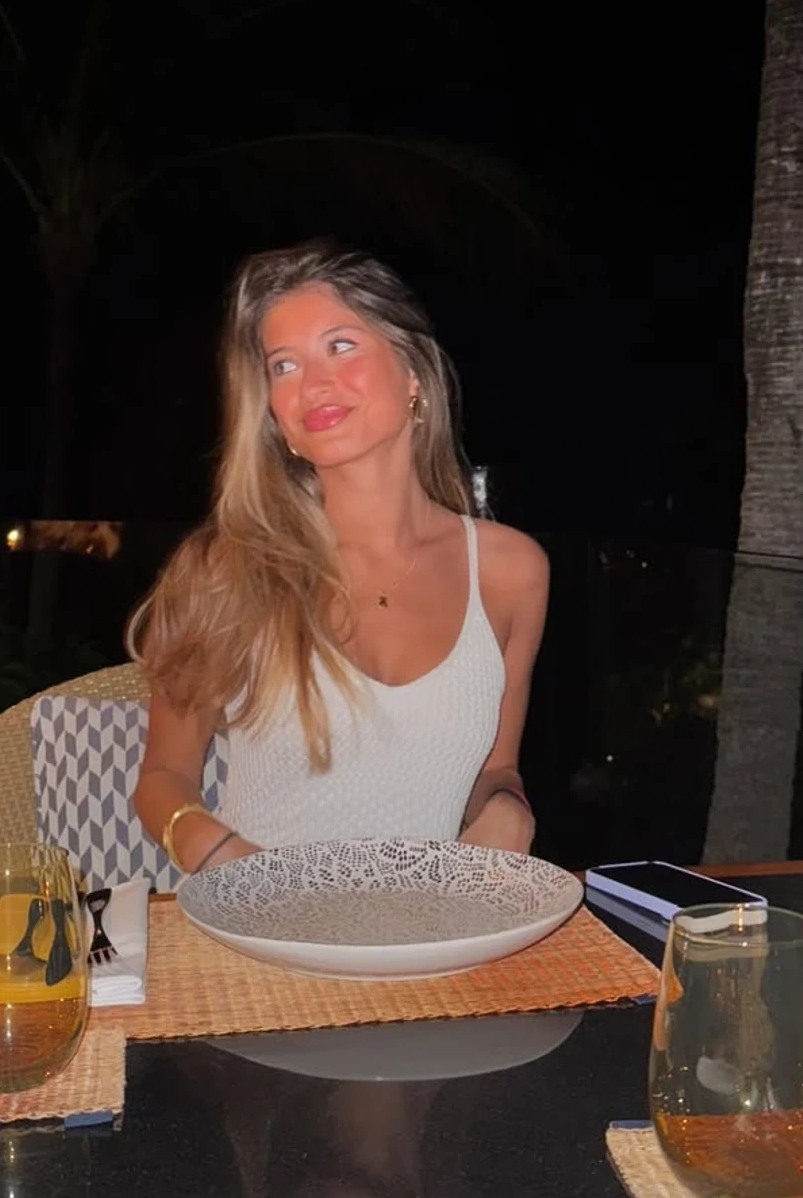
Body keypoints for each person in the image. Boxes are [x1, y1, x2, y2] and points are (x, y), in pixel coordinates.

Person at [127, 240, 549, 874]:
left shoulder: (512, 572)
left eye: (341, 346)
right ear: (274, 415)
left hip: (435, 920)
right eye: (284, 365)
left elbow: (496, 769)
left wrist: (510, 808)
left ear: (413, 374)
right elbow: (164, 777)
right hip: (260, 918)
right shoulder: (226, 570)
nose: (313, 384)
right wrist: (218, 853)